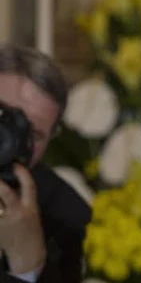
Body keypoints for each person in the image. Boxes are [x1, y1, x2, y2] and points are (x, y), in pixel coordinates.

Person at [0, 45, 91, 283]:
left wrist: (28, 265)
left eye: (33, 134)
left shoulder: (66, 217)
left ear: (51, 139)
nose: (11, 139)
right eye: (3, 116)